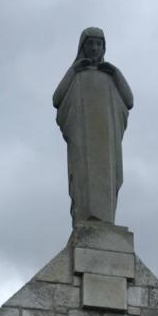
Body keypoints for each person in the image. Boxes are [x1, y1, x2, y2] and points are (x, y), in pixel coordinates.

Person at [53, 27, 133, 225]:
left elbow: (129, 101)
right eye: (90, 43)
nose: (95, 48)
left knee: (108, 181)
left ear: (104, 47)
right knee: (83, 182)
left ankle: (106, 222)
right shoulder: (78, 75)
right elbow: (57, 99)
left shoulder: (110, 76)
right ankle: (84, 220)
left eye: (99, 44)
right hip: (83, 140)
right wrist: (74, 70)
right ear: (83, 46)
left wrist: (116, 73)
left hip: (107, 143)